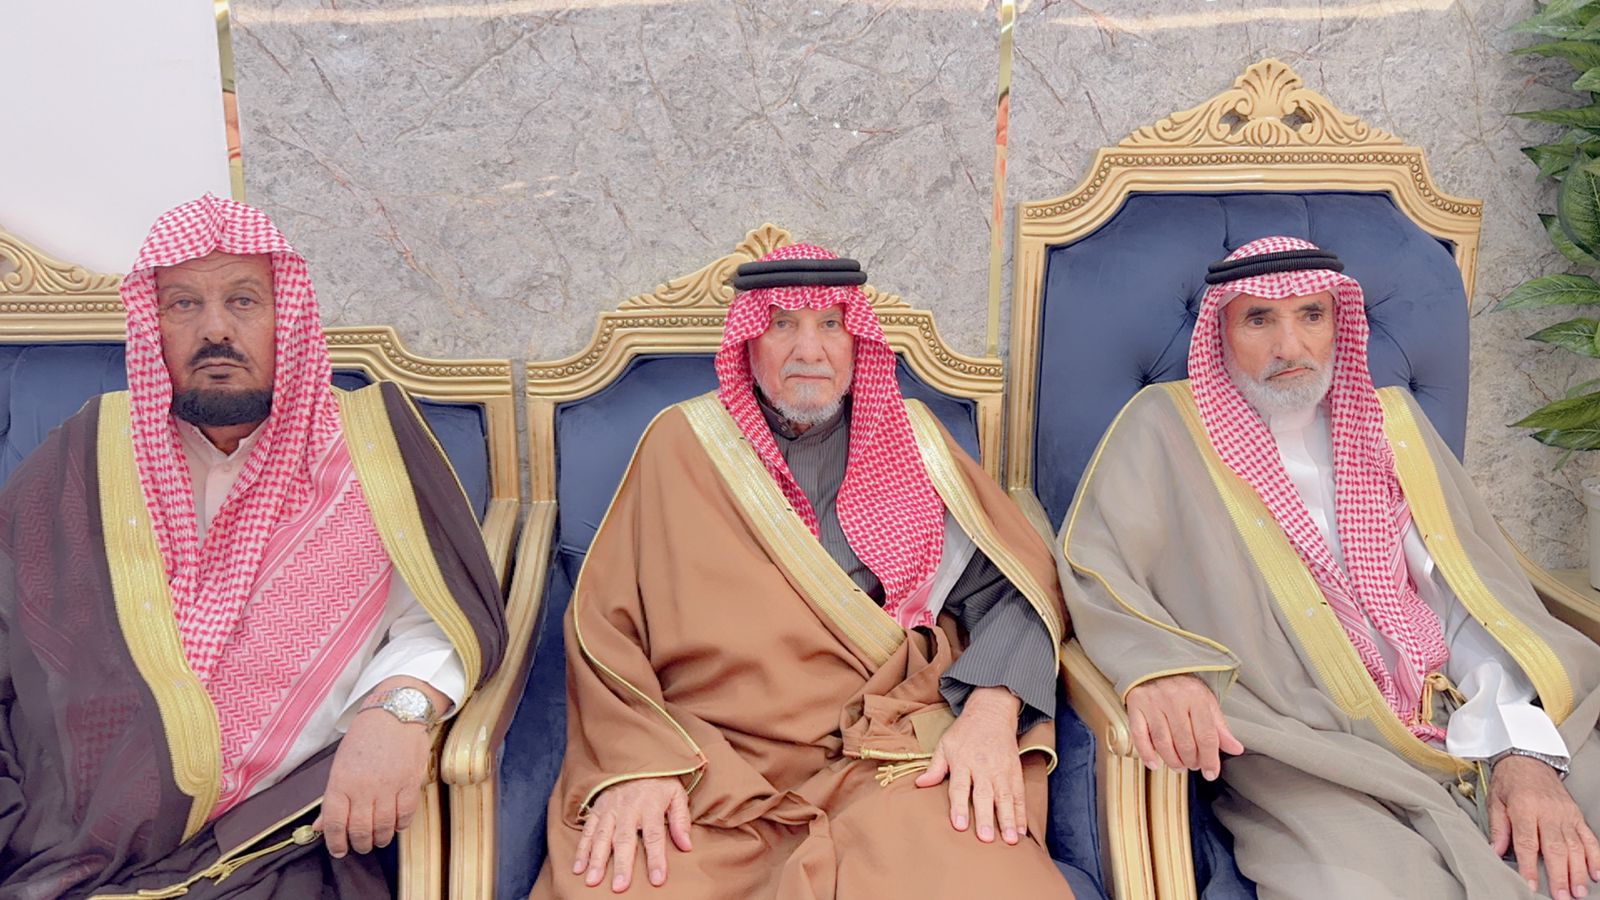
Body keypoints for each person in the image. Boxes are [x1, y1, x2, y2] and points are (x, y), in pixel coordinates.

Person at [1061, 235, 1600, 900]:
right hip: (1303, 744)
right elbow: (1097, 571)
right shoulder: (1164, 430)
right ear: (1221, 332)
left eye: (1311, 315)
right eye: (1259, 319)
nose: (1290, 347)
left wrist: (1518, 746)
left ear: (1337, 322)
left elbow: (1468, 600)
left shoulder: (1393, 424)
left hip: (1453, 708)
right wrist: (1157, 668)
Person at [0, 195, 505, 898]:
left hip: (257, 845)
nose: (215, 329)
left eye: (243, 300)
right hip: (63, 824)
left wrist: (398, 711)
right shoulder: (90, 452)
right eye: (184, 304)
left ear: (287, 317)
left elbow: (441, 616)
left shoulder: (372, 452)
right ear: (153, 326)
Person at [531, 244, 1072, 897]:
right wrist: (641, 759)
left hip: (889, 751)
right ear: (748, 342)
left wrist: (990, 709)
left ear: (856, 340)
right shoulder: (680, 445)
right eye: (782, 324)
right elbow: (604, 627)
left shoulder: (914, 441)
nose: (809, 350)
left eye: (830, 325)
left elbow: (1017, 593)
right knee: (620, 877)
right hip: (713, 764)